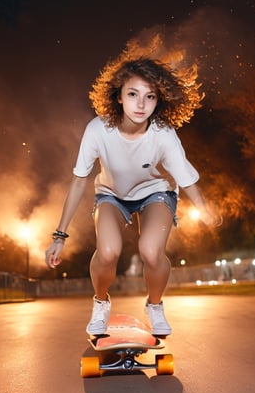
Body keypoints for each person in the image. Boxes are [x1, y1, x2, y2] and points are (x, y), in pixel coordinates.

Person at [45, 56, 222, 337]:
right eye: (133, 94)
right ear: (118, 96)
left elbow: (186, 180)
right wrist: (59, 236)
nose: (141, 105)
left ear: (158, 100)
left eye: (149, 96)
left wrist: (206, 209)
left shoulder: (163, 134)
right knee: (108, 251)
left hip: (156, 193)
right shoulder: (97, 130)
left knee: (151, 252)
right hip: (111, 196)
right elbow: (79, 182)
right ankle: (101, 302)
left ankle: (154, 305)